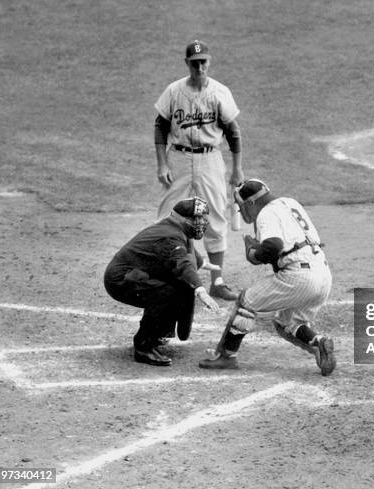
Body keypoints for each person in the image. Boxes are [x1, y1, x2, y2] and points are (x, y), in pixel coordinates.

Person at [198, 179, 336, 376]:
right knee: (286, 323)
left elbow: (273, 246)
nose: (242, 211)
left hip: (300, 276)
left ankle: (226, 357)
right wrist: (262, 250)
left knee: (246, 302)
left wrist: (254, 254)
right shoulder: (290, 203)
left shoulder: (265, 214)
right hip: (323, 274)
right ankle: (318, 343)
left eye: (242, 206)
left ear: (251, 203)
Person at [153, 39, 243, 301]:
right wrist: (162, 163)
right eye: (194, 63)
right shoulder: (174, 91)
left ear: (209, 62)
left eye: (203, 62)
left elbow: (233, 132)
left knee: (214, 215)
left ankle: (218, 280)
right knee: (168, 215)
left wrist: (237, 169)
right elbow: (160, 127)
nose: (199, 67)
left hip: (210, 158)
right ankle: (170, 276)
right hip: (179, 158)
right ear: (187, 64)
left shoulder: (219, 93)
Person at [104, 197, 220, 366]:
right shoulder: (170, 235)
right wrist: (200, 289)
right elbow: (182, 263)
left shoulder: (174, 228)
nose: (202, 222)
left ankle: (159, 333)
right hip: (120, 280)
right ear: (184, 219)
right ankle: (144, 346)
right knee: (167, 293)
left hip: (135, 275)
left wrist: (203, 264)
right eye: (198, 218)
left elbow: (188, 252)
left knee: (176, 287)